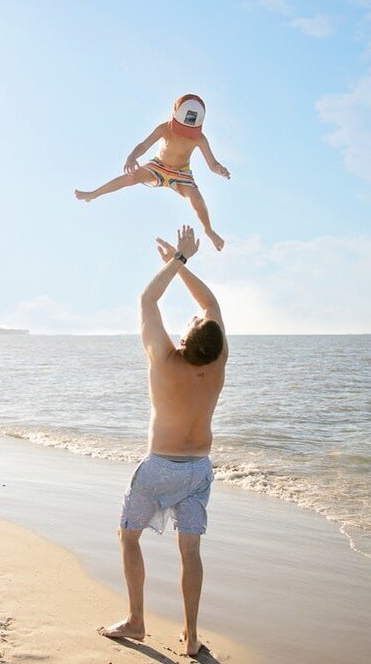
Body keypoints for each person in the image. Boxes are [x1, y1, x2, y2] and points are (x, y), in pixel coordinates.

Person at [98, 225, 228, 656]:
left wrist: (177, 260)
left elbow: (147, 300)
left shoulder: (164, 361)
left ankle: (136, 621)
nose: (194, 318)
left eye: (190, 324)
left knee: (128, 537)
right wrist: (181, 261)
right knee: (190, 550)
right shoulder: (218, 361)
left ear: (185, 339)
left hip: (159, 469)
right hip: (198, 470)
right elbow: (209, 305)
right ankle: (190, 638)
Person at [74, 94, 230, 251]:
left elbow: (212, 163)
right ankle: (94, 194)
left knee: (197, 199)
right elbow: (143, 146)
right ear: (174, 116)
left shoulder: (200, 139)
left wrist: (219, 169)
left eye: (189, 131)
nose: (184, 134)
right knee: (132, 177)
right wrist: (132, 157)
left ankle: (209, 230)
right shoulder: (164, 128)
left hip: (181, 173)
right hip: (158, 166)